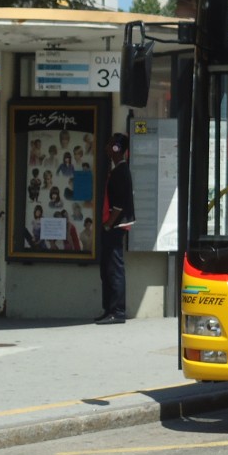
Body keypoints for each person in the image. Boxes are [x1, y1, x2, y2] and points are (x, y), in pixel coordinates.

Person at [96, 133, 135, 324]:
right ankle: (109, 308)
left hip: (114, 226)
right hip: (111, 226)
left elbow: (118, 206)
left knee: (114, 269)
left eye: (110, 144)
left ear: (117, 148)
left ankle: (117, 311)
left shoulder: (121, 171)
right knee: (107, 268)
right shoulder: (117, 170)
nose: (107, 147)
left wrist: (108, 224)